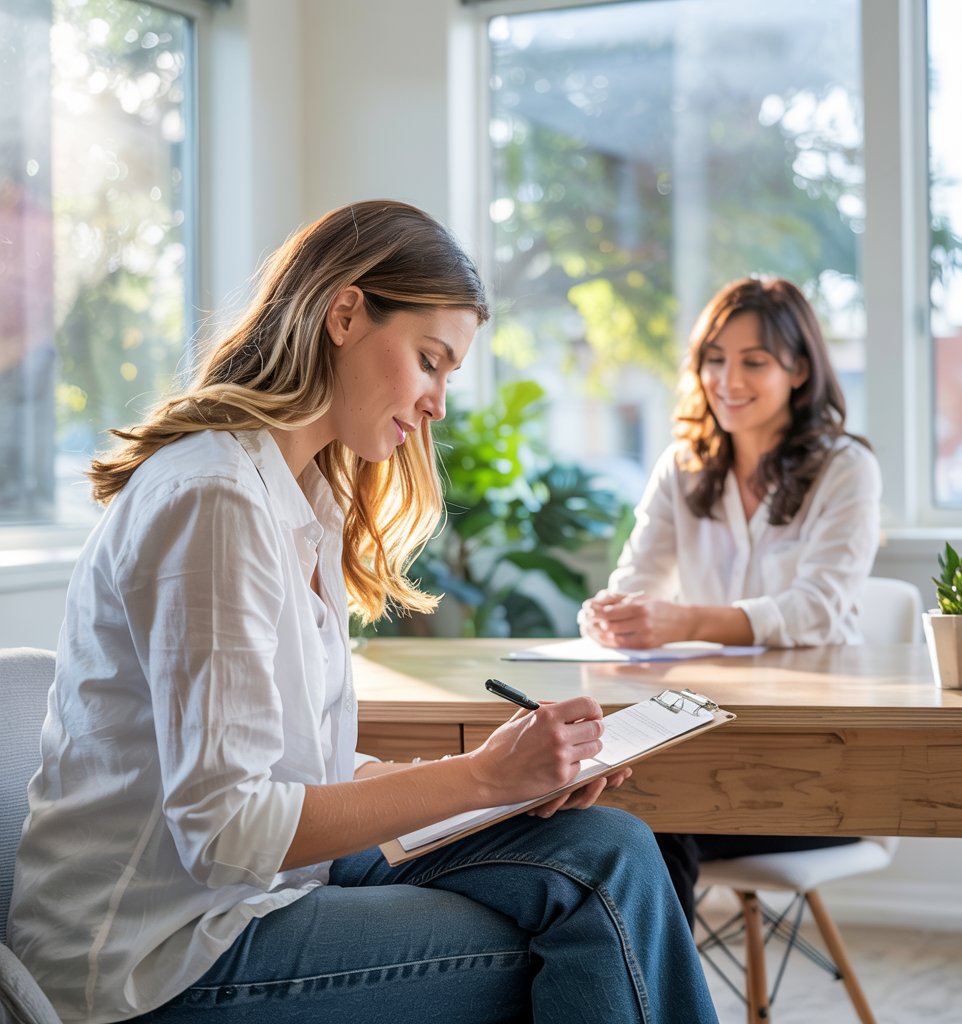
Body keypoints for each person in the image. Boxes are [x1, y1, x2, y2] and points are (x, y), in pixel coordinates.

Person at [8, 201, 719, 1024]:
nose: (438, 405)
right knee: (587, 925)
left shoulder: (301, 495)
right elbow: (228, 827)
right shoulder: (214, 498)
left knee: (613, 851)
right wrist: (482, 777)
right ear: (344, 313)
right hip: (159, 960)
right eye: (430, 361)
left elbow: (302, 774)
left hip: (268, 893)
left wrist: (504, 780)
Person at [578, 275, 881, 927]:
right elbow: (635, 581)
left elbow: (816, 610)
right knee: (612, 820)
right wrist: (610, 615)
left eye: (753, 362)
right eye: (714, 359)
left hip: (818, 763)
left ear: (799, 370)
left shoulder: (846, 468)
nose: (727, 380)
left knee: (651, 828)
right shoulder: (684, 464)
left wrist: (681, 620)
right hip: (703, 749)